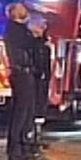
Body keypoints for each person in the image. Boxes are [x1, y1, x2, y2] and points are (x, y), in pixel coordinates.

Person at [3, 2, 38, 160]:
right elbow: (29, 43)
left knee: (27, 111)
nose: (25, 10)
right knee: (20, 112)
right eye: (21, 9)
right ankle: (15, 150)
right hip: (20, 73)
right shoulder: (15, 30)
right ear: (14, 13)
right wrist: (35, 34)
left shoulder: (20, 29)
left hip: (26, 72)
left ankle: (24, 145)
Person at [28, 17, 52, 151]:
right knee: (34, 108)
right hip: (36, 81)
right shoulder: (35, 44)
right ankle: (32, 138)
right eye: (42, 25)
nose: (44, 27)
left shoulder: (43, 44)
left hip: (41, 81)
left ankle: (37, 137)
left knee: (39, 109)